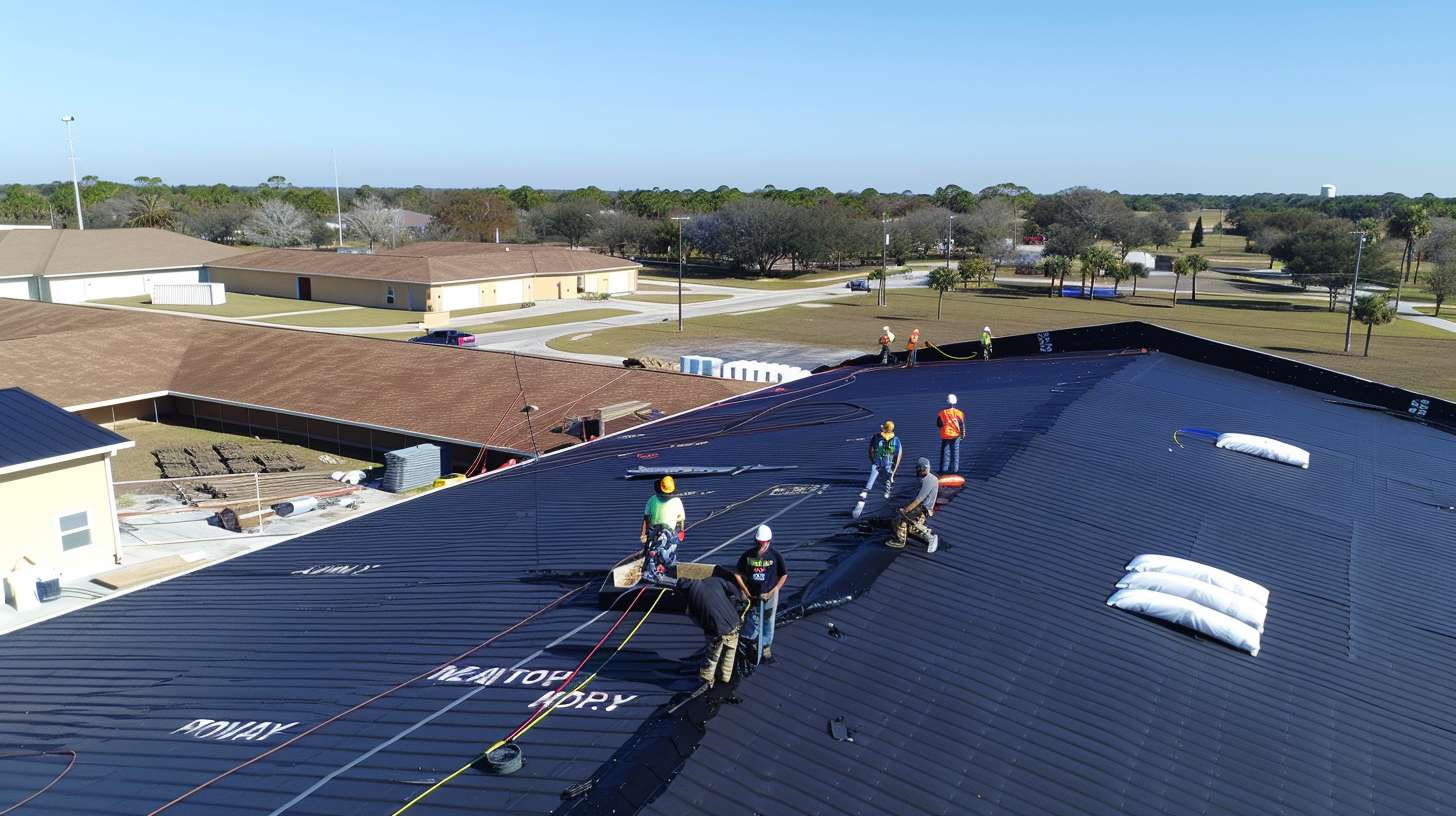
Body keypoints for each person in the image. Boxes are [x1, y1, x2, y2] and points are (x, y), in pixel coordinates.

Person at [735, 525, 789, 662]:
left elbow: (783, 575)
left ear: (769, 541)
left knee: (768, 622)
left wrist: (774, 590)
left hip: (769, 596)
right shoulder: (748, 556)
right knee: (752, 620)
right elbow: (737, 573)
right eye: (758, 543)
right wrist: (745, 591)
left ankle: (765, 648)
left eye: (763, 543)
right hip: (752, 596)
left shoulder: (775, 556)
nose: (761, 546)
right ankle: (747, 646)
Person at [681, 576, 743, 687]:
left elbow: (695, 619)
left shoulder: (690, 598)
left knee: (712, 658)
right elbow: (732, 588)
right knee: (729, 653)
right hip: (734, 623)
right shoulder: (714, 580)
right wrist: (737, 601)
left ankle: (706, 681)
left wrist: (707, 629)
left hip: (717, 630)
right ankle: (725, 679)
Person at [639, 476, 685, 585]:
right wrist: (643, 534)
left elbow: (681, 519)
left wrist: (681, 531)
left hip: (669, 532)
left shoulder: (676, 501)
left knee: (668, 553)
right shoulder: (652, 500)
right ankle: (650, 574)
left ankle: (668, 570)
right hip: (655, 532)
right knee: (653, 554)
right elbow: (646, 518)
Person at [889, 457, 939, 553]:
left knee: (902, 519)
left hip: (923, 508)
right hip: (921, 507)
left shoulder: (928, 481)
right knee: (910, 527)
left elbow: (918, 501)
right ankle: (904, 537)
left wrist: (905, 510)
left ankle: (929, 536)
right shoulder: (926, 478)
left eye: (919, 469)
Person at [862, 420, 903, 501]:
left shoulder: (876, 437)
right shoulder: (896, 440)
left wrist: (872, 461)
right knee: (888, 475)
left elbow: (871, 450)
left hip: (878, 462)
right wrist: (893, 470)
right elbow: (898, 455)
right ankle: (888, 486)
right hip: (888, 462)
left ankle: (867, 489)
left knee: (874, 473)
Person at [936, 394, 965, 475]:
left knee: (946, 453)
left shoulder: (942, 413)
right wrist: (962, 435)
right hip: (956, 436)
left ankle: (944, 471)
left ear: (947, 402)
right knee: (955, 454)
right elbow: (962, 425)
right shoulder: (960, 413)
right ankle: (955, 471)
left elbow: (939, 424)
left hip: (945, 435)